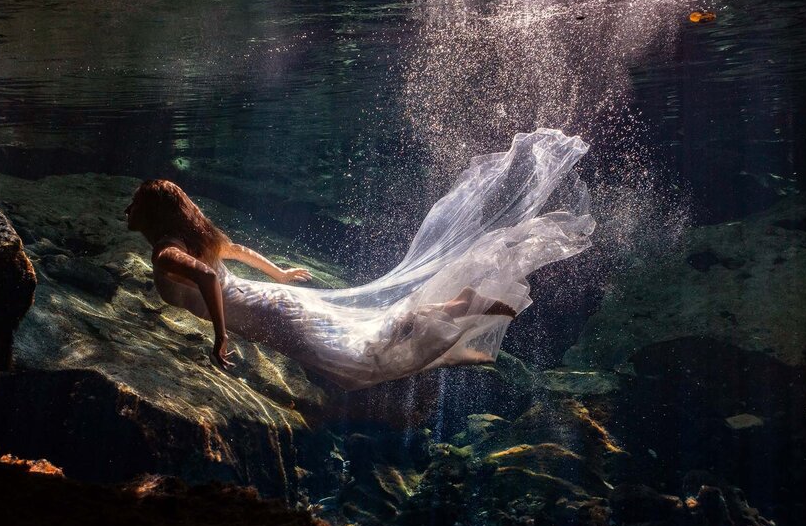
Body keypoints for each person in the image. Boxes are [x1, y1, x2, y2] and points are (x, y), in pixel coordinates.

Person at [124, 128, 596, 391]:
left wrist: (219, 338)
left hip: (264, 313)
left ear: (152, 214)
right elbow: (235, 253)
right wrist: (281, 274)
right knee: (361, 341)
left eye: (134, 205)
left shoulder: (166, 252)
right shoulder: (198, 235)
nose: (127, 211)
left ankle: (455, 320)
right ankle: (453, 319)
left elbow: (209, 276)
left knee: (356, 362)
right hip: (272, 300)